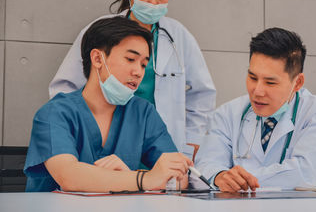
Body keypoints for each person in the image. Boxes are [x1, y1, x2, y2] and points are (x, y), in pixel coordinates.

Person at [49, 0, 216, 158]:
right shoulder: (100, 31)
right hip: (104, 139)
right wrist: (78, 131)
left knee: (159, 182)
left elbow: (203, 94)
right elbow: (64, 88)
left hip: (160, 144)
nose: (153, 2)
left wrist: (194, 138)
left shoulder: (179, 36)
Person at [24, 17, 192, 192]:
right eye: (130, 59)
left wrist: (128, 176)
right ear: (97, 58)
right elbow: (69, 176)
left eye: (143, 64)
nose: (138, 72)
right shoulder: (54, 114)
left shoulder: (143, 113)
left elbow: (179, 178)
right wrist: (143, 179)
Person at [195, 28, 316, 192]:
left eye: (270, 83)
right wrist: (220, 176)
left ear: (298, 83)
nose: (257, 91)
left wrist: (243, 181)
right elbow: (206, 164)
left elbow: (306, 173)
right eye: (252, 77)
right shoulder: (227, 114)